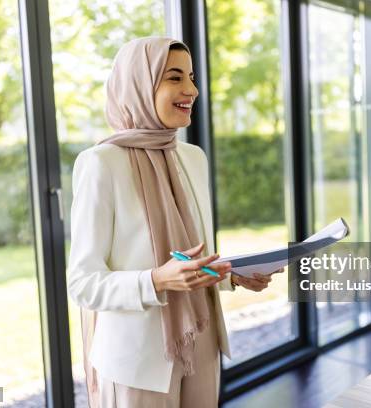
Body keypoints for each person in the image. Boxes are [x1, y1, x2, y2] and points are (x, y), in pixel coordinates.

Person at [67, 36, 282, 408]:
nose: (192, 90)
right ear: (139, 84)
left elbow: (190, 256)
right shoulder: (100, 163)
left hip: (201, 341)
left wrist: (230, 275)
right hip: (137, 362)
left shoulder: (192, 157)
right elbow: (82, 283)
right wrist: (156, 280)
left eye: (192, 77)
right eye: (174, 78)